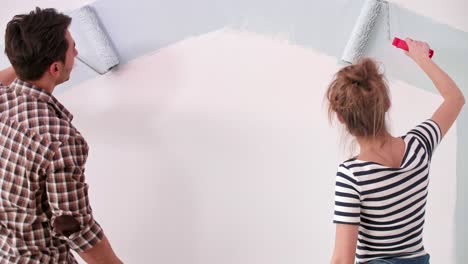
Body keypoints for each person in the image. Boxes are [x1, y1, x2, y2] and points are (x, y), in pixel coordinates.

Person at [0, 7, 122, 264]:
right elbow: (73, 227)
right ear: (55, 68)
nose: (77, 53)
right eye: (72, 48)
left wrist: (27, 58)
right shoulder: (60, 140)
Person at [327, 38, 465, 264]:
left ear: (341, 118)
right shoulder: (419, 145)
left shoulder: (351, 176)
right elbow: (456, 99)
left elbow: (343, 260)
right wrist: (421, 58)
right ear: (387, 103)